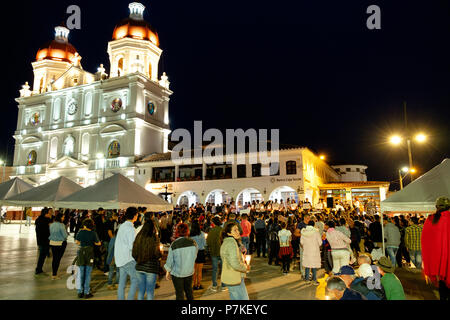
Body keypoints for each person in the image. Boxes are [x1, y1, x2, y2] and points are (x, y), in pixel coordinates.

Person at [421, 196, 450, 300]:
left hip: (440, 263)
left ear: (436, 206)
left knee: (442, 289)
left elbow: (425, 241)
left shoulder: (431, 219)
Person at [164, 223, 198, 300]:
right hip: (189, 271)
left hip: (177, 273)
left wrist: (167, 271)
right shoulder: (193, 243)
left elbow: (170, 260)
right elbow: (195, 256)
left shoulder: (174, 244)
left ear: (177, 232)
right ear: (187, 231)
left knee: (179, 293)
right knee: (189, 291)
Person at [132, 218, 162, 300]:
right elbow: (157, 254)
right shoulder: (154, 238)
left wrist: (139, 259)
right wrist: (160, 254)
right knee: (149, 292)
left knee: (141, 291)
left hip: (139, 267)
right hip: (151, 268)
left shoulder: (138, 237)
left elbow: (133, 253)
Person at [220, 221, 250, 300]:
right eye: (235, 230)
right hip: (235, 277)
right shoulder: (231, 243)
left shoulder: (229, 242)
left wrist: (240, 249)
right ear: (229, 233)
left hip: (232, 276)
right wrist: (245, 267)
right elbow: (234, 263)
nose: (238, 232)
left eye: (238, 230)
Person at [115, 207, 140, 300]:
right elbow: (132, 246)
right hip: (128, 259)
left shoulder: (122, 226)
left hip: (120, 258)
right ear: (134, 216)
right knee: (136, 280)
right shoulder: (130, 229)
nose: (137, 216)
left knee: (122, 283)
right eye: (137, 215)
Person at [75, 218, 101, 298]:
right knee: (88, 273)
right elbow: (98, 243)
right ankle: (87, 292)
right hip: (90, 253)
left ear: (85, 225)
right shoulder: (93, 233)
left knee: (81, 273)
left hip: (81, 252)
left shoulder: (80, 232)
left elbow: (77, 242)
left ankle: (80, 291)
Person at [207, 216, 226, 292]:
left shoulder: (211, 231)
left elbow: (208, 242)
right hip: (222, 252)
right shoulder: (222, 230)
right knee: (223, 269)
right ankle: (223, 285)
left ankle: (214, 285)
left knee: (215, 269)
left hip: (214, 252)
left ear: (213, 222)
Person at [48, 213, 68, 280]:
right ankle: (54, 275)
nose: (63, 218)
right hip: (60, 243)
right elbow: (65, 236)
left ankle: (54, 274)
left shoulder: (52, 224)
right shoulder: (62, 225)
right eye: (63, 217)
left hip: (52, 243)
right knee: (58, 259)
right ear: (60, 218)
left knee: (54, 259)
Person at [35, 208, 52, 275]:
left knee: (42, 255)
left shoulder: (39, 219)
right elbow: (47, 231)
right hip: (44, 240)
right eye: (50, 212)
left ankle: (39, 269)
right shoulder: (45, 220)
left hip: (40, 240)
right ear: (46, 213)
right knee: (42, 256)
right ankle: (38, 269)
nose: (51, 213)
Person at [190, 220, 206, 290]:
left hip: (193, 253)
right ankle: (199, 284)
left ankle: (194, 284)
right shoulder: (202, 234)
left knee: (194, 270)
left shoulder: (190, 235)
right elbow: (205, 244)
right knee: (199, 270)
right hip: (201, 252)